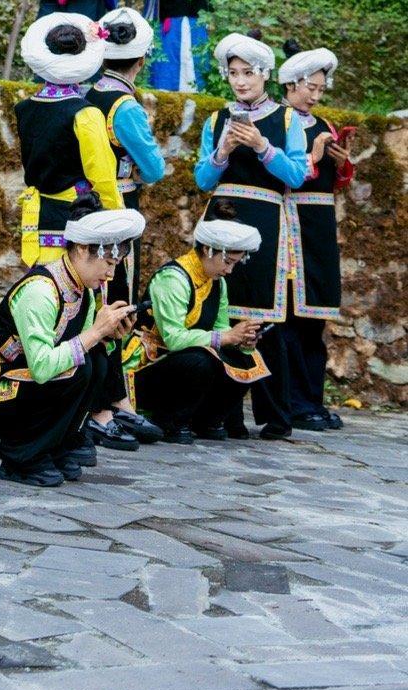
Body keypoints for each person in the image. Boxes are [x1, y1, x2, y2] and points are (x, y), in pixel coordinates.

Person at [0, 204, 145, 487]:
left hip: (24, 384)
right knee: (79, 367)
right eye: (108, 264)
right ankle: (14, 457)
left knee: (97, 362)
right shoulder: (41, 290)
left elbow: (80, 348)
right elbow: (43, 367)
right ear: (82, 249)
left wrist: (108, 335)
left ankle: (55, 445)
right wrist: (94, 333)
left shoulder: (82, 289)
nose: (110, 274)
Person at [194, 33, 308, 439]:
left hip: (265, 220)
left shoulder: (287, 120)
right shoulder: (215, 120)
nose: (240, 82)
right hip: (222, 216)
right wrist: (221, 153)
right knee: (222, 310)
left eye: (248, 73)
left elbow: (297, 175)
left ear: (264, 75)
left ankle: (275, 415)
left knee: (265, 317)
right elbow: (203, 180)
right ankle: (225, 416)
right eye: (233, 74)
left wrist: (262, 146)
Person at [83, 7, 167, 449]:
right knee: (118, 300)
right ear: (140, 59)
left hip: (85, 205)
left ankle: (115, 399)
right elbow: (153, 168)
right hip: (120, 204)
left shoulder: (85, 93)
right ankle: (106, 406)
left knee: (97, 299)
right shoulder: (125, 106)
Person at [127, 218, 268, 442]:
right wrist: (226, 337)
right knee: (199, 361)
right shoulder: (173, 279)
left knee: (246, 358)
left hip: (190, 356)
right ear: (207, 250)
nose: (230, 270)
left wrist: (240, 341)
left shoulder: (217, 282)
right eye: (228, 262)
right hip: (152, 362)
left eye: (234, 264)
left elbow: (221, 328)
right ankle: (169, 420)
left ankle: (208, 419)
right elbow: (173, 339)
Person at [277, 45, 351, 433]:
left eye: (321, 89)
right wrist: (313, 152)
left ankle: (311, 399)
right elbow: (282, 173)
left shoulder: (324, 124)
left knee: (313, 318)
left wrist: (339, 162)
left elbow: (335, 181)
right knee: (287, 316)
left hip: (318, 228)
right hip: (291, 225)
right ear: (291, 85)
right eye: (311, 87)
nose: (316, 96)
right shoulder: (279, 122)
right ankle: (291, 402)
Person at [16, 14, 119, 268]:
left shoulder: (25, 109)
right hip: (75, 217)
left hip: (39, 217)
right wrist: (116, 218)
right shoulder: (85, 114)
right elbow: (103, 176)